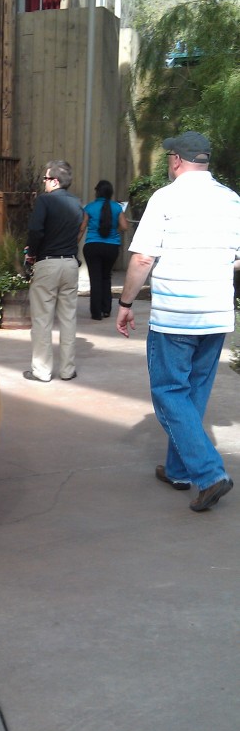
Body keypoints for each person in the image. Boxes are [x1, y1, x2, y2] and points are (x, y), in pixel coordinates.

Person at [116, 131, 240, 513]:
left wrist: (125, 302)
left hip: (175, 317)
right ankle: (178, 470)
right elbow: (236, 258)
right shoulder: (232, 199)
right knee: (193, 394)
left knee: (169, 393)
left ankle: (208, 473)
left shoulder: (166, 198)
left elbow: (141, 259)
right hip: (216, 314)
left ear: (175, 160)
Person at [23, 160, 84, 382]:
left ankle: (42, 370)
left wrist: (31, 253)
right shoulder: (77, 204)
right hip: (70, 263)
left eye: (46, 179)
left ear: (55, 181)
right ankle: (67, 370)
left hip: (47, 263)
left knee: (42, 319)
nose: (44, 183)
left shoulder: (45, 201)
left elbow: (35, 230)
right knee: (68, 318)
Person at [82, 179, 129, 320]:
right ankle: (106, 309)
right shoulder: (116, 208)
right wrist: (114, 228)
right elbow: (125, 226)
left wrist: (74, 243)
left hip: (92, 246)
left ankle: (96, 312)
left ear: (97, 192)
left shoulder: (89, 207)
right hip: (112, 247)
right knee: (106, 277)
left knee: (95, 279)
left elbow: (82, 227)